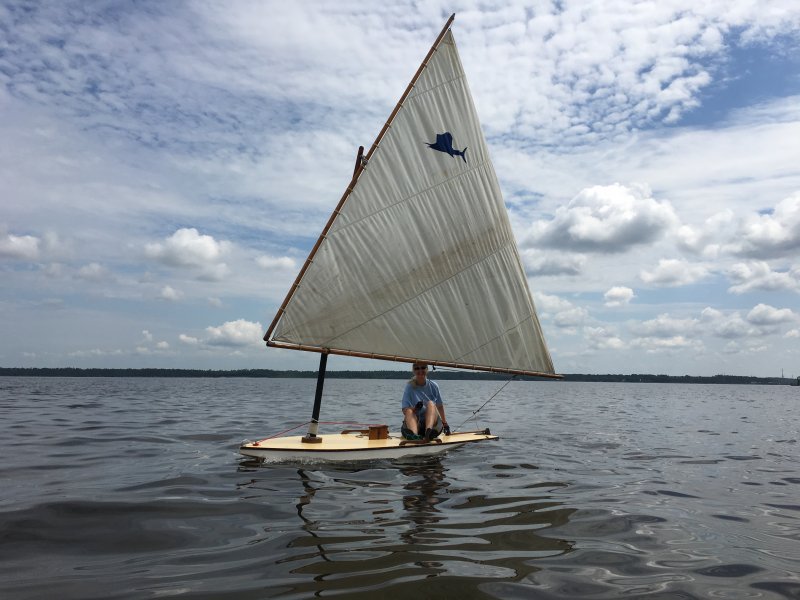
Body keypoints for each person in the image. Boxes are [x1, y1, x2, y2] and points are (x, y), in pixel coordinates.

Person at [401, 362, 451, 442]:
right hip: (416, 423)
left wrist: (445, 424)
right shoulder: (409, 387)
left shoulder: (434, 386)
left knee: (431, 403)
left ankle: (428, 432)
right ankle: (415, 437)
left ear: (427, 370)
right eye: (417, 368)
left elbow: (439, 406)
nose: (420, 370)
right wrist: (415, 408)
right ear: (414, 371)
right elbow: (404, 410)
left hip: (432, 424)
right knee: (409, 411)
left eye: (423, 368)